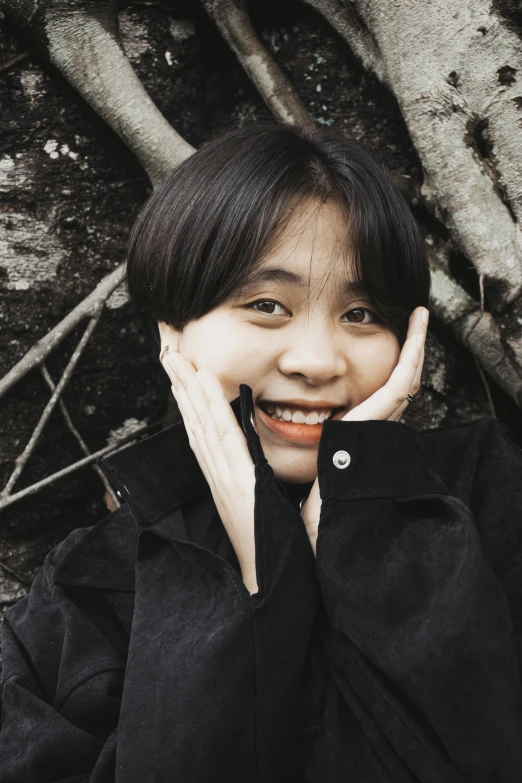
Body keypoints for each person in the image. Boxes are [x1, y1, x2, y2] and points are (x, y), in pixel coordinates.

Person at [0, 120, 521, 782]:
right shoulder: (86, 588)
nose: (317, 361)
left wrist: (360, 517)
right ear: (175, 332)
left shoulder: (484, 496)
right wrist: (257, 584)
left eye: (361, 314)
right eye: (268, 304)